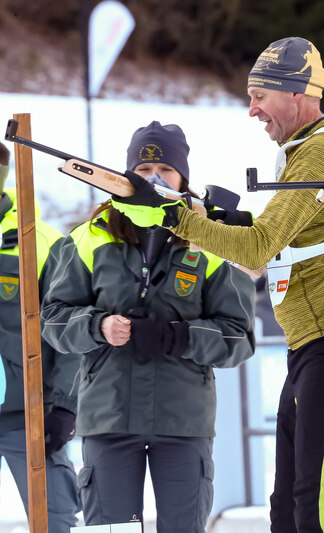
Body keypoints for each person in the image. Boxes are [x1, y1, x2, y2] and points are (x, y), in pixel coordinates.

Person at [107, 37, 324, 533]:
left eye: (260, 95)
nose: (252, 109)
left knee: (319, 509)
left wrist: (175, 217)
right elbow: (278, 241)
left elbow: (257, 249)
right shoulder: (305, 151)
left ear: (297, 92)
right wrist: (210, 216)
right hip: (315, 339)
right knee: (288, 512)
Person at [40, 122, 256, 532]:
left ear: (183, 178)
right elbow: (53, 318)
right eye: (142, 168)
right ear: (126, 174)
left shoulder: (213, 238)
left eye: (166, 169)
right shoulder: (88, 237)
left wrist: (178, 336)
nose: (154, 177)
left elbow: (238, 338)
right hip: (108, 417)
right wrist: (99, 326)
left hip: (183, 420)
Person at [0, 141, 81, 532]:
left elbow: (68, 328)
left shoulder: (39, 241)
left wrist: (64, 405)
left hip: (29, 413)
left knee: (55, 519)